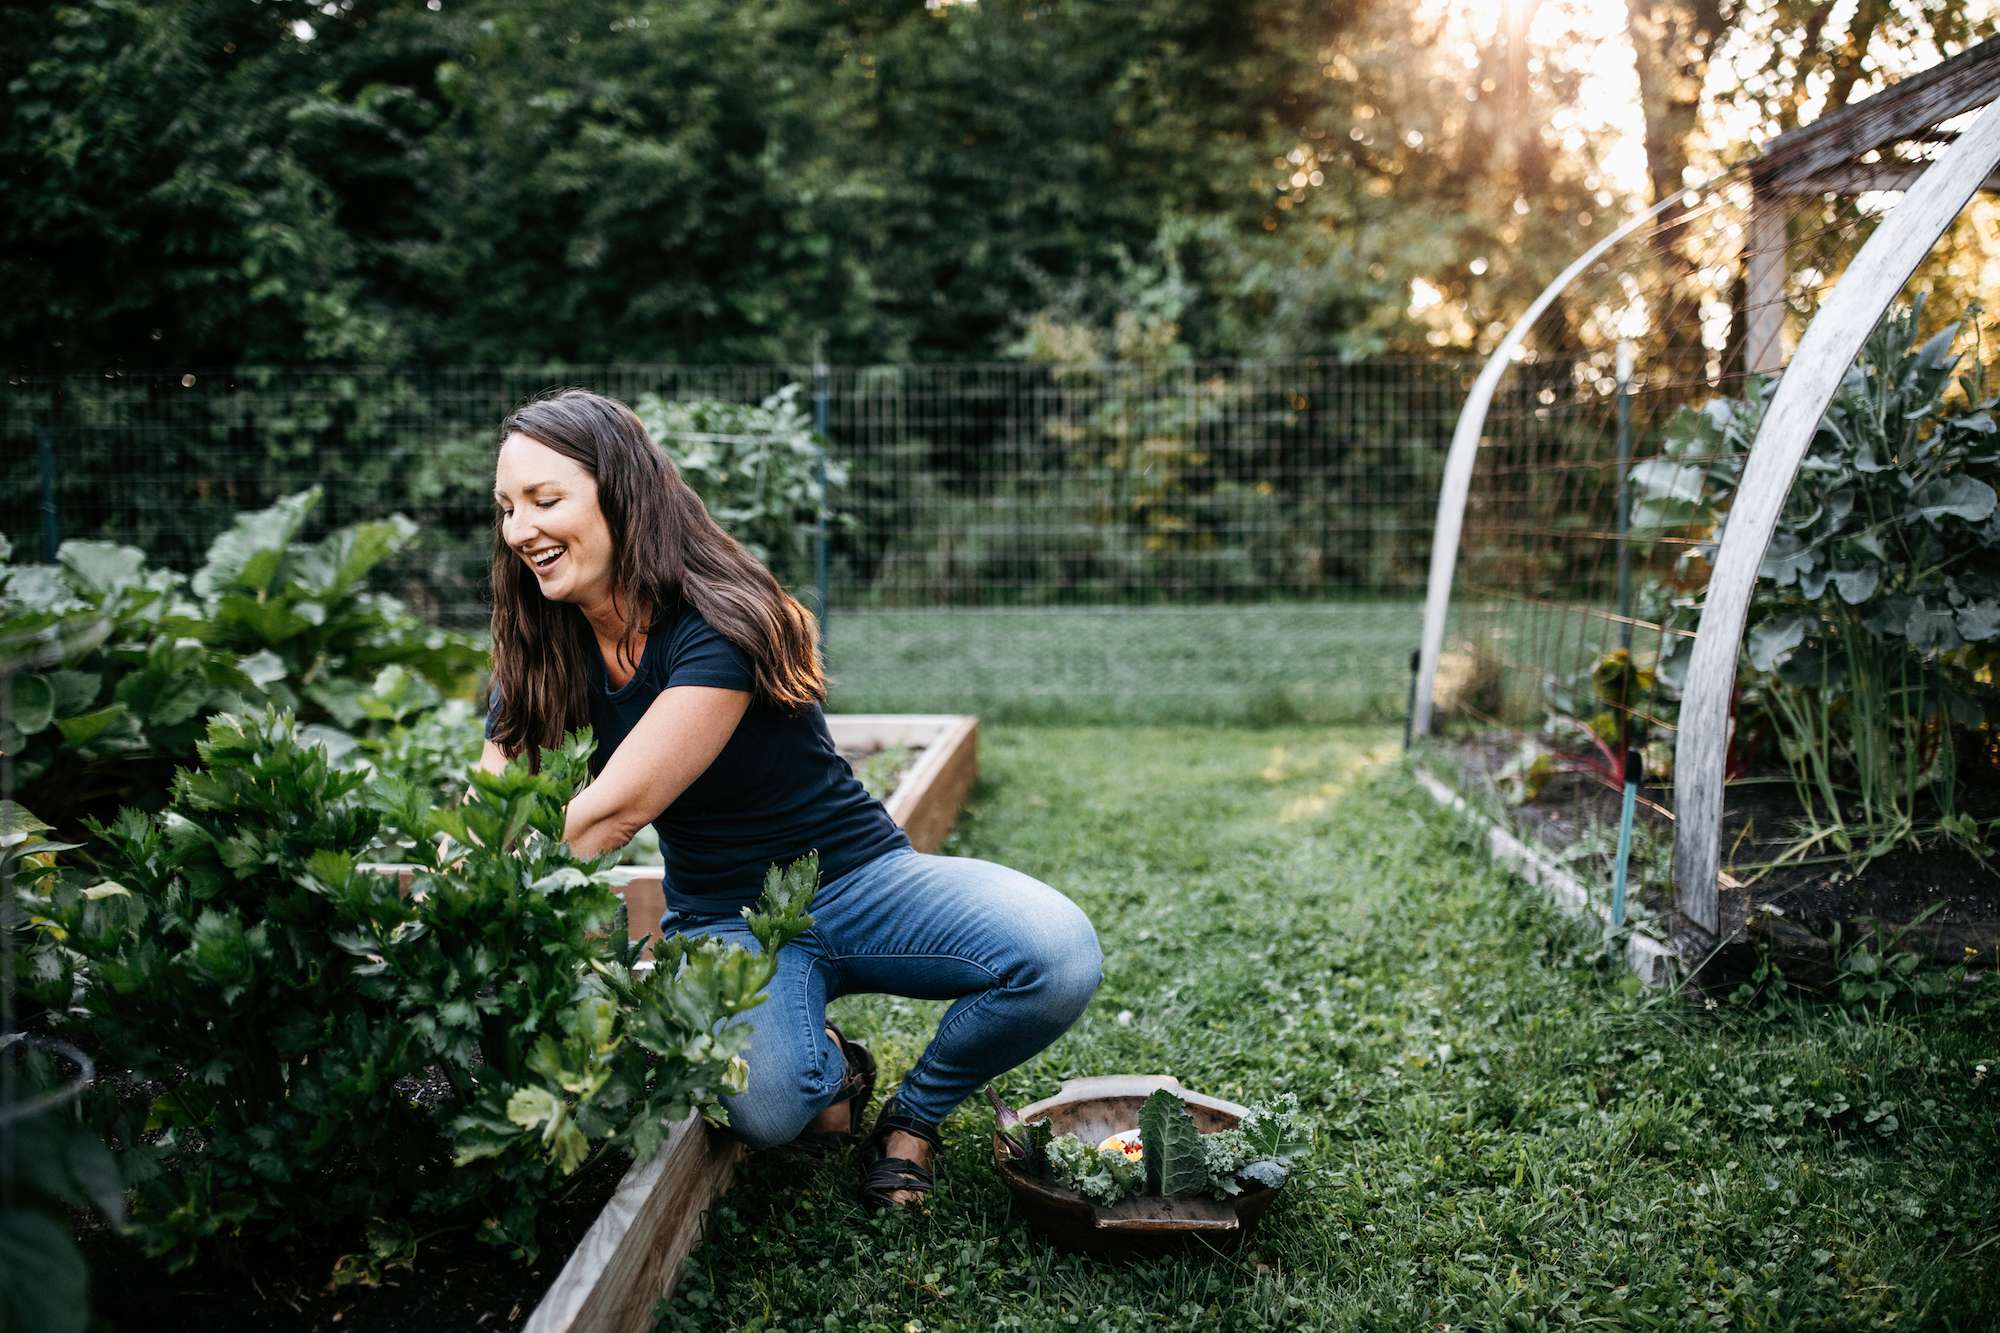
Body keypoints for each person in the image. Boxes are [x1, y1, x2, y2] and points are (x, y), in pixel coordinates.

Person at [478, 389, 1102, 1209]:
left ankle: (912, 1118)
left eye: (545, 499)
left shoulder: (720, 620)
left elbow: (612, 815)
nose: (521, 529)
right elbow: (490, 812)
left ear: (620, 493)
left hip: (861, 879)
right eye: (507, 508)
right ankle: (835, 1062)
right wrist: (461, 897)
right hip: (724, 919)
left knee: (1057, 954)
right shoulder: (539, 647)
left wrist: (496, 904)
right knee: (773, 1106)